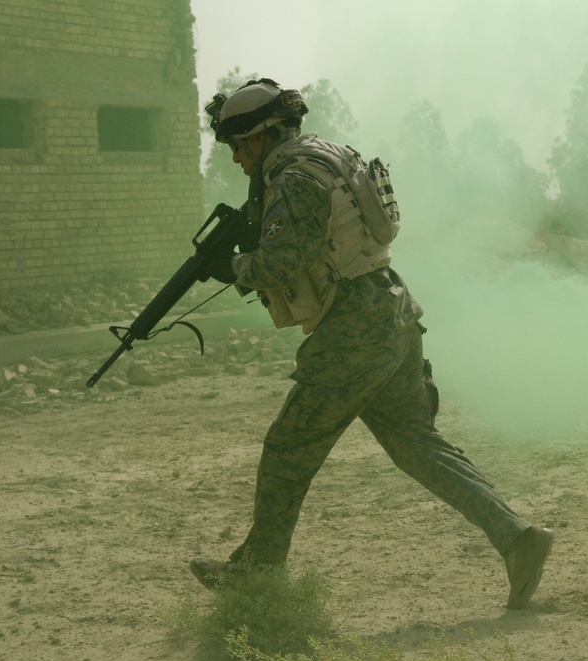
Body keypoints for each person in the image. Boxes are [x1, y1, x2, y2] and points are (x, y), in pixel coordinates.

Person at [190, 78, 553, 610]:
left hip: (353, 330)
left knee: (288, 448)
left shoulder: (292, 178)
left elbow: (283, 260)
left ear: (260, 137)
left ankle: (258, 574)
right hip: (392, 311)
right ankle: (517, 538)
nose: (238, 160)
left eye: (238, 147)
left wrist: (235, 266)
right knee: (416, 443)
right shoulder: (334, 157)